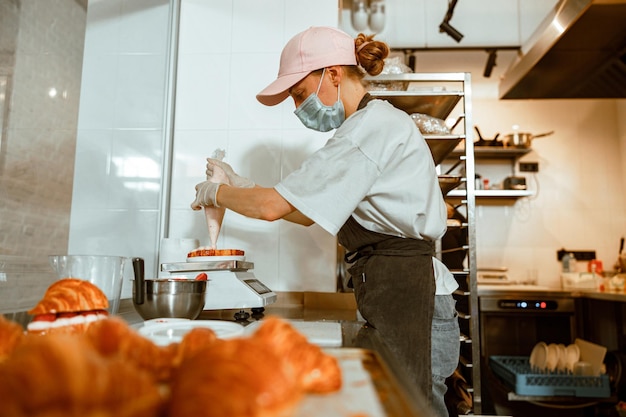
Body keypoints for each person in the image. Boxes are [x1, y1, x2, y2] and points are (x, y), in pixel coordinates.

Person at [191, 26, 453, 413]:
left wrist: (215, 193)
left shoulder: (368, 130)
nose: (298, 108)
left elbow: (272, 208)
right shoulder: (366, 128)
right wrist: (241, 183)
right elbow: (303, 213)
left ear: (333, 73)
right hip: (393, 288)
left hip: (412, 295)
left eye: (299, 94)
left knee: (411, 407)